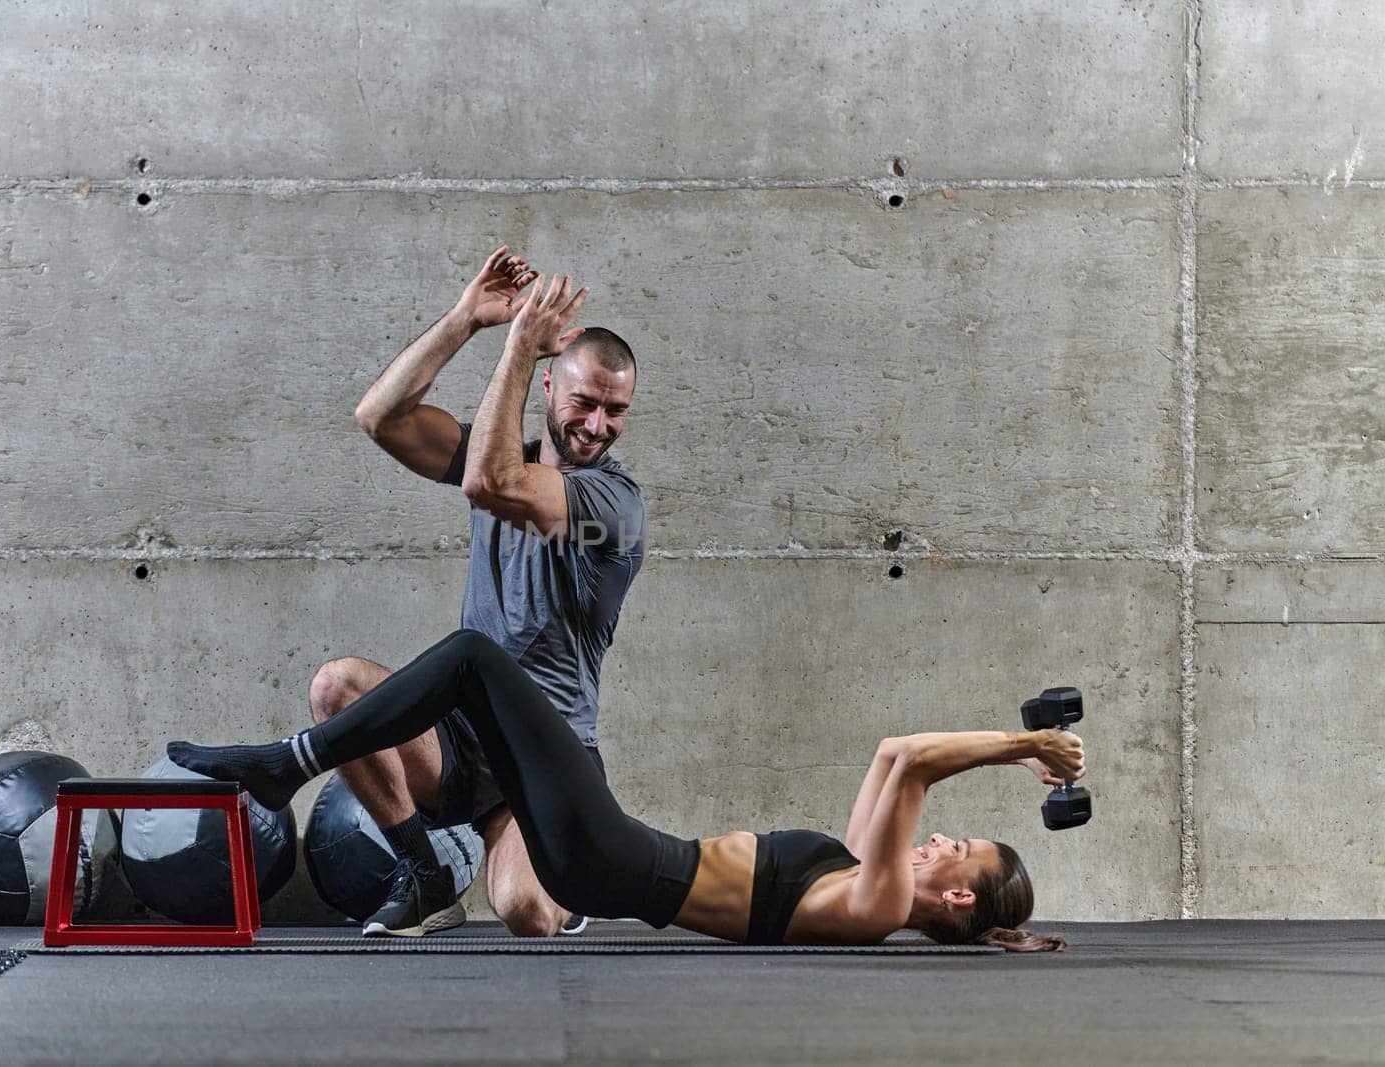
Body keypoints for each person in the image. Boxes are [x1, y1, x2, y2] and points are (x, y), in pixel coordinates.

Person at [169, 629, 1081, 950]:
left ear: (957, 895)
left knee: (475, 659)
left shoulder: (880, 904)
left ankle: (288, 761)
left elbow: (918, 762)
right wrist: (1022, 746)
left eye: (954, 849)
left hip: (614, 861)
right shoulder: (854, 877)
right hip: (613, 857)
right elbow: (891, 755)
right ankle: (302, 760)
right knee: (474, 680)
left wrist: (1022, 744)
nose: (935, 839)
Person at [312, 248, 643, 936]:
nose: (598, 424)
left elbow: (490, 484)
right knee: (336, 689)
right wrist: (466, 319)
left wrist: (519, 347)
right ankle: (427, 877)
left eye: (617, 410)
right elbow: (380, 416)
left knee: (525, 909)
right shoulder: (500, 454)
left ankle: (572, 864)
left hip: (549, 748)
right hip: (460, 737)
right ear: (550, 387)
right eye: (585, 401)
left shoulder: (613, 502)